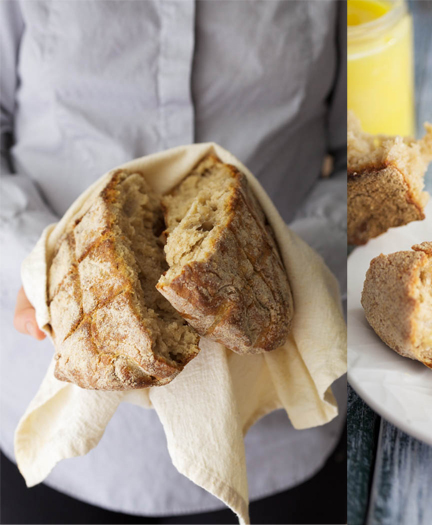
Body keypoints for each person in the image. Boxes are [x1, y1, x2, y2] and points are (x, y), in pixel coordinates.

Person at [1, 0, 346, 520]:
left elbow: (369, 152)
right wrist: (33, 257)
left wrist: (294, 264)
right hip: (57, 431)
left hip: (277, 439)